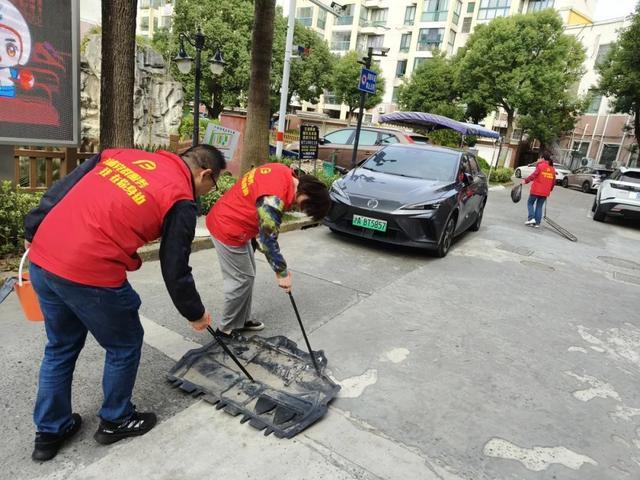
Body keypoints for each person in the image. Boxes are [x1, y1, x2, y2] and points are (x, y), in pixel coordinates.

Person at [23, 144, 226, 461]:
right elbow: (175, 267)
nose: (205, 192)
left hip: (44, 259)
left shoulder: (119, 156)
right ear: (206, 174)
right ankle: (116, 420)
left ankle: (50, 431)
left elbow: (62, 189)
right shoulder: (182, 198)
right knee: (125, 343)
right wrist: (195, 313)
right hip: (90, 273)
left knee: (60, 346)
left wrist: (33, 226)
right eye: (211, 186)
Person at [206, 163, 330, 336]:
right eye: (306, 206)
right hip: (228, 227)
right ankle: (225, 330)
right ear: (307, 193)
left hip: (234, 220)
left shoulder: (284, 172)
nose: (300, 209)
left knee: (248, 275)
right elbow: (267, 241)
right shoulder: (273, 200)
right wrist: (282, 273)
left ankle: (240, 320)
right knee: (241, 280)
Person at [522, 152, 556, 228]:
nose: (539, 159)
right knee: (539, 206)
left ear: (543, 158)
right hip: (545, 192)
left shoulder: (540, 166)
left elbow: (534, 175)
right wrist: (549, 189)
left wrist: (526, 181)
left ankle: (531, 219)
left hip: (536, 189)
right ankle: (537, 223)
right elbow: (553, 182)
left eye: (540, 158)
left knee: (530, 203)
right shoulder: (552, 169)